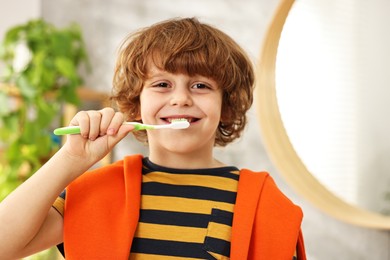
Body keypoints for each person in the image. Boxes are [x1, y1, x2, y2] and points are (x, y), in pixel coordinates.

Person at [0, 17, 306, 259]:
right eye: (162, 84)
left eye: (201, 86)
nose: (181, 99)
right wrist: (69, 161)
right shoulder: (96, 192)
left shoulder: (262, 203)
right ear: (136, 103)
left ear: (226, 106)